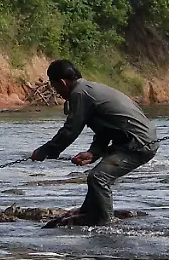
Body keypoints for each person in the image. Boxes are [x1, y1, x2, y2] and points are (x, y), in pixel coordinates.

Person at [30, 60, 158, 225]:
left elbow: (70, 130)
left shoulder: (79, 94)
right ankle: (89, 211)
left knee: (98, 177)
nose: (57, 92)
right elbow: (105, 129)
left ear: (62, 82)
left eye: (55, 87)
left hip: (138, 144)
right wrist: (93, 153)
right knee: (96, 175)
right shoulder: (89, 90)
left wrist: (45, 151)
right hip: (134, 141)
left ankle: (106, 222)